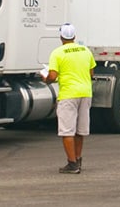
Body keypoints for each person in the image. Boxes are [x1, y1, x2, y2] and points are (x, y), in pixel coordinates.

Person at [43, 23, 95, 174]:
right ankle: (78, 159)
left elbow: (52, 76)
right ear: (74, 36)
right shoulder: (85, 50)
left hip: (68, 94)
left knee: (67, 131)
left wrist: (45, 79)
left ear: (61, 37)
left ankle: (72, 164)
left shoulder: (57, 53)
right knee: (80, 130)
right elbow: (91, 73)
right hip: (85, 93)